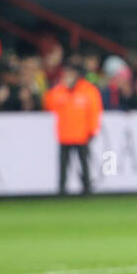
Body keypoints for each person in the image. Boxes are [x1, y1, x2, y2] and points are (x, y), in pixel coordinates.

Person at [43, 61, 103, 195]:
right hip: (64, 134)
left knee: (84, 163)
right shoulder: (59, 90)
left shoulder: (88, 90)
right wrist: (61, 87)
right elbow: (49, 105)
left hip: (82, 134)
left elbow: (94, 111)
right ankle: (62, 188)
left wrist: (92, 130)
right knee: (64, 164)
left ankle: (87, 187)